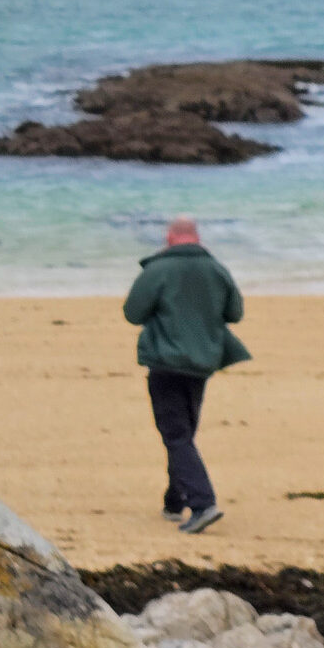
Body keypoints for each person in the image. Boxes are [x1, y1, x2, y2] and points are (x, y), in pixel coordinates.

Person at [122, 216, 248, 536]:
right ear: (197, 237)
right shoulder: (217, 269)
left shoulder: (158, 270)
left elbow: (132, 312)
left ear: (169, 237)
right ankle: (174, 501)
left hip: (165, 362)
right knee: (182, 433)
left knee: (176, 435)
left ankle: (203, 504)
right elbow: (235, 313)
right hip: (201, 364)